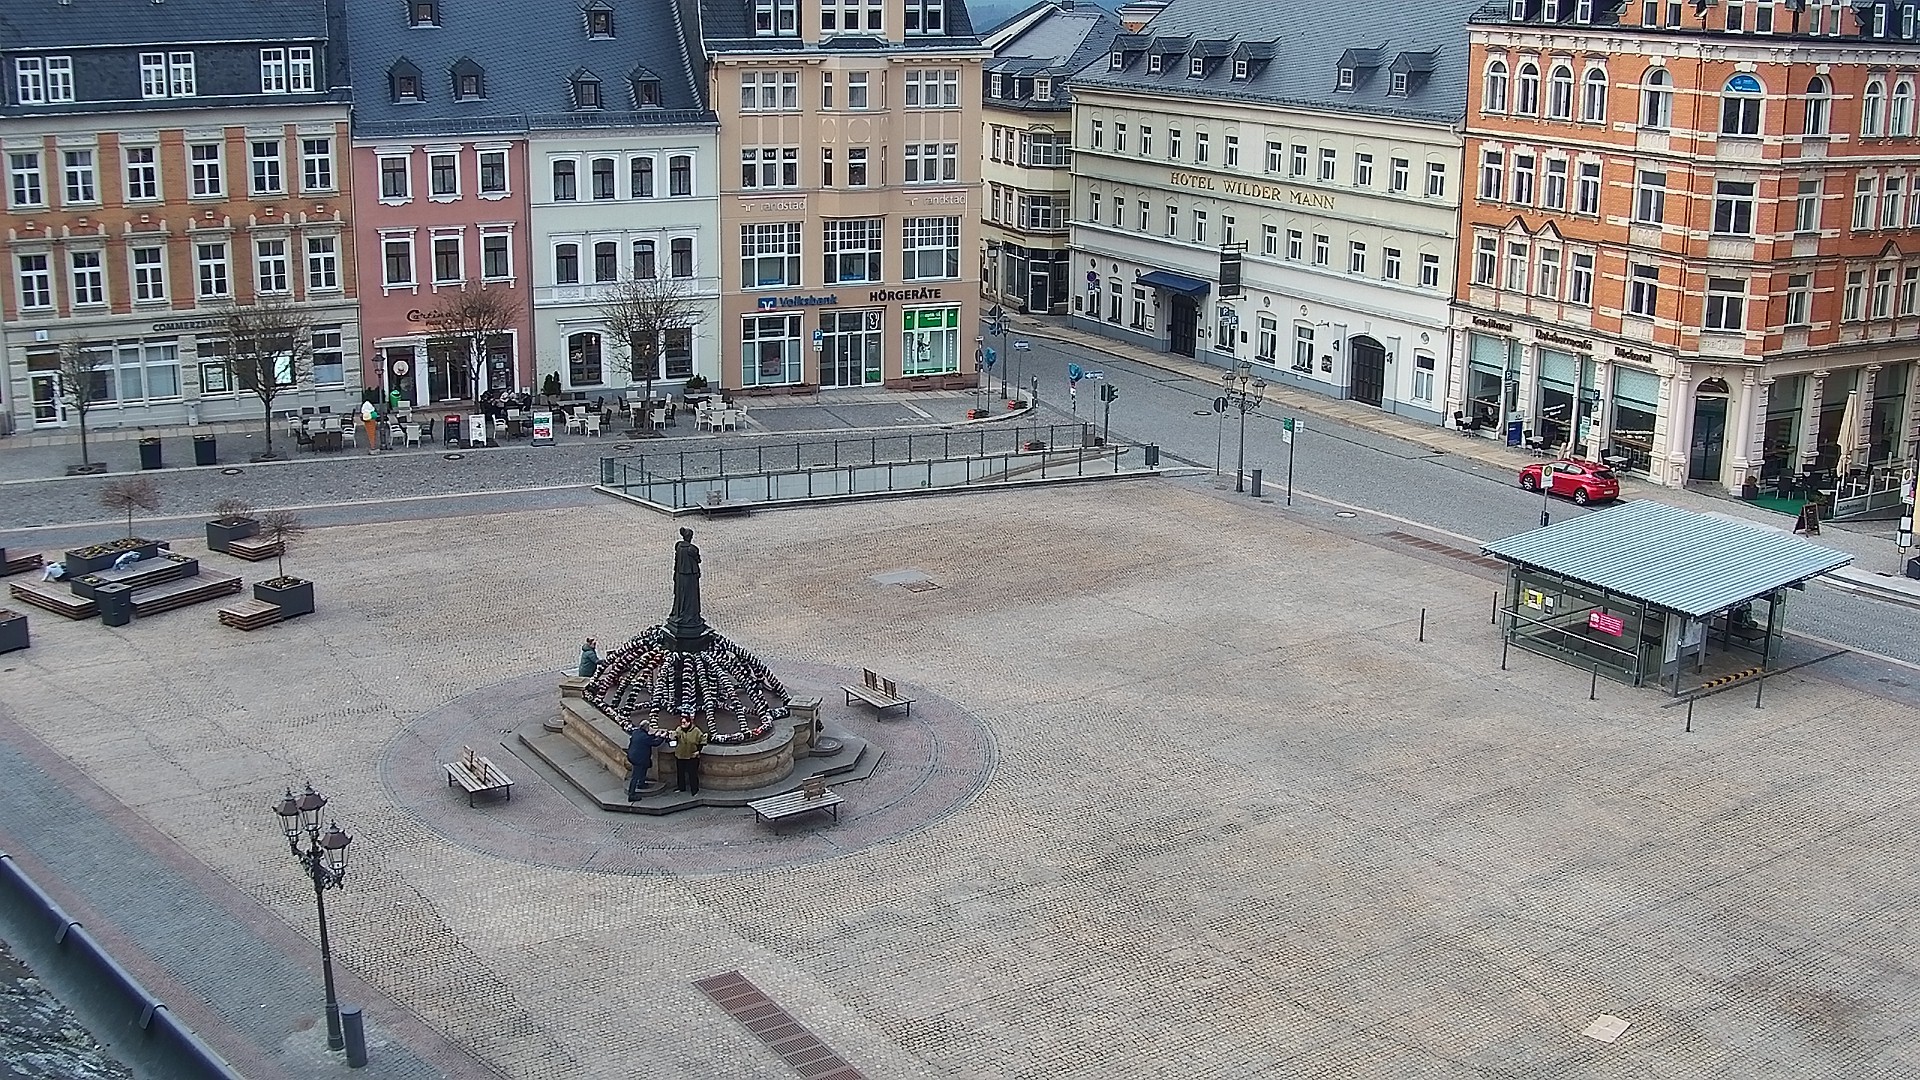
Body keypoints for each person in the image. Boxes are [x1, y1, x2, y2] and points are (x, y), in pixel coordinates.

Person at [626, 724, 666, 801]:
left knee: (644, 768)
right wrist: (661, 737)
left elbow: (646, 739)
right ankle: (631, 795)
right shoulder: (644, 737)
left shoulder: (636, 733)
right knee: (635, 776)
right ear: (647, 728)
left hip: (633, 756)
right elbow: (655, 743)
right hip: (639, 759)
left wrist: (654, 735)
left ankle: (641, 783)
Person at [670, 718, 708, 794]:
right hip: (680, 755)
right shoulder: (679, 729)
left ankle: (694, 789)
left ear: (689, 722)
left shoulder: (696, 731)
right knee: (680, 773)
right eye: (681, 722)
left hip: (692, 756)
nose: (682, 724)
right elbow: (675, 736)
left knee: (693, 774)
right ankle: (681, 787)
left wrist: (698, 751)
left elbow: (702, 741)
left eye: (684, 722)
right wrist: (673, 737)